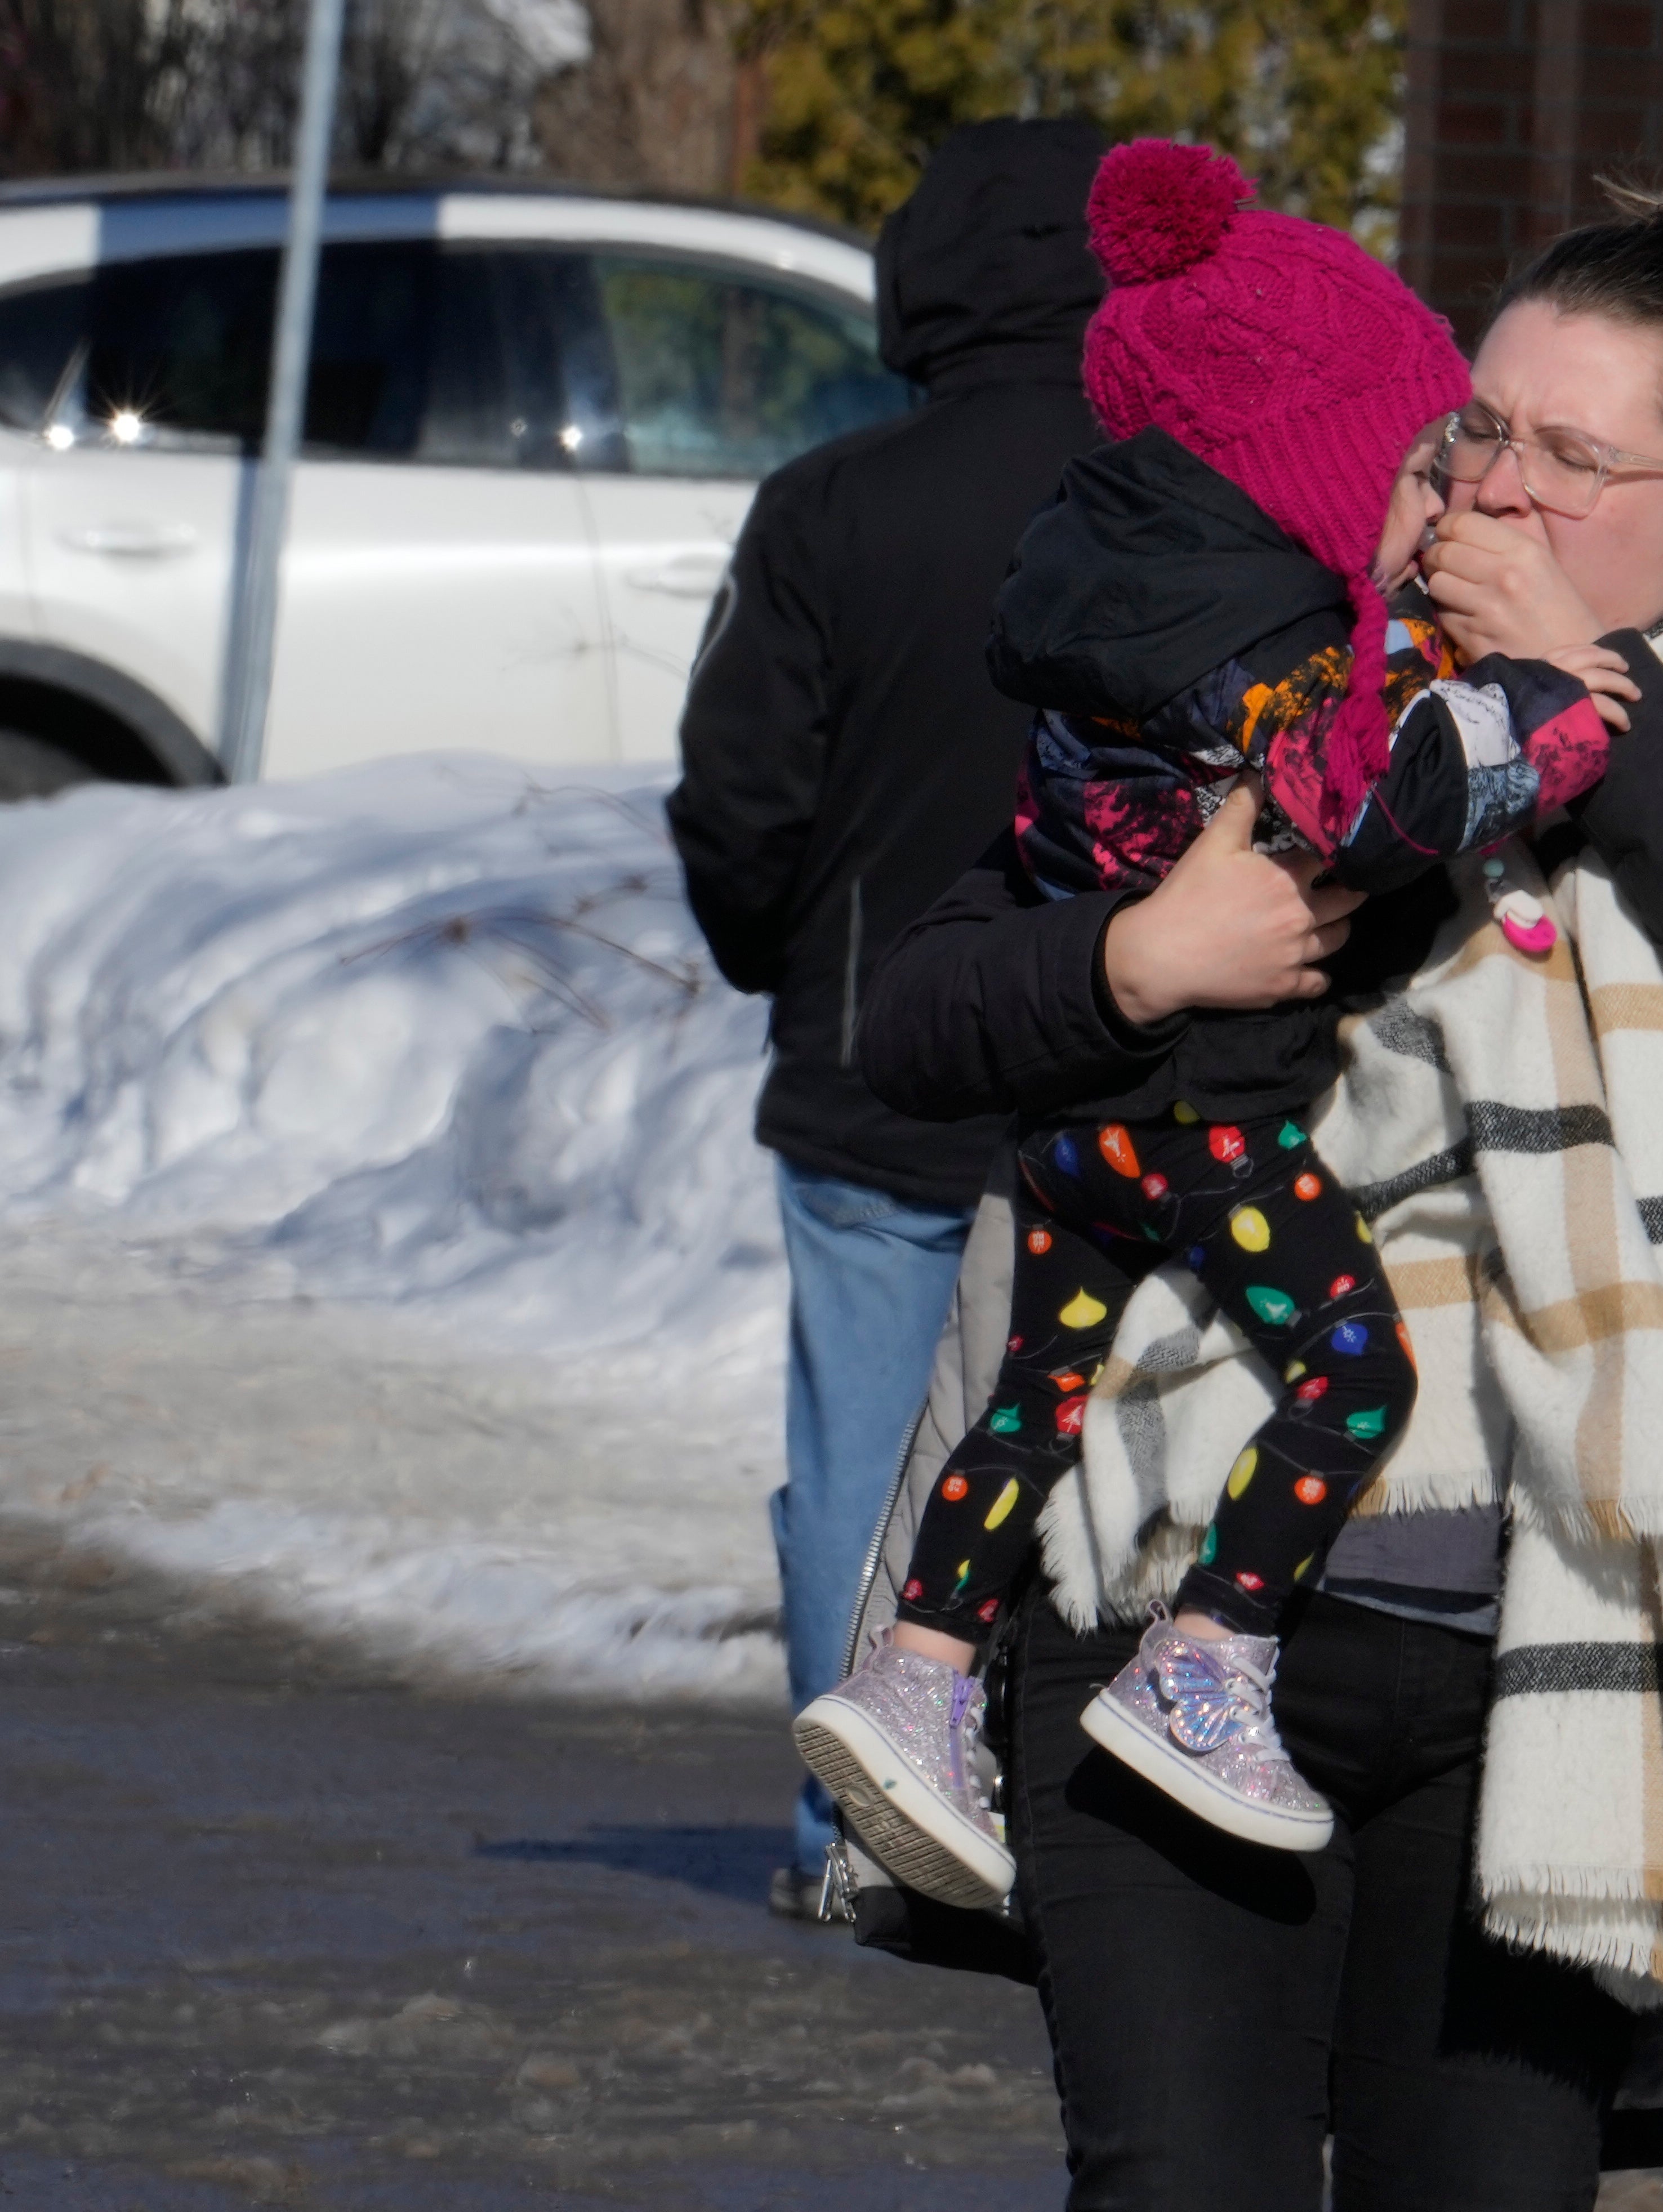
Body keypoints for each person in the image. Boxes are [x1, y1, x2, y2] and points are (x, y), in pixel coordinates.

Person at [860, 163, 1663, 2210]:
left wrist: (1590, 707)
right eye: (1481, 427)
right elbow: (923, 1013)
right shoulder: (1278, 670)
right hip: (1157, 1614)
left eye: (1576, 458)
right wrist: (1137, 959)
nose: (1498, 491)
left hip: (1548, 1683)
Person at [789, 140, 1629, 1906]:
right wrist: (1548, 719)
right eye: (1418, 465)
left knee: (1037, 1386)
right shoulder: (1283, 667)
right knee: (1351, 1372)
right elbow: (1378, 804)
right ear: (1313, 478)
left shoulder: (1110, 624)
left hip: (1080, 1139)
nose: (1451, 501)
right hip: (1208, 1130)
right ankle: (1211, 1658)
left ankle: (920, 1669)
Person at [664, 117, 1105, 1921]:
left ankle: (865, 1835)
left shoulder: (830, 510)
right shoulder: (1177, 497)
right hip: (1112, 1065)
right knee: (1091, 1451)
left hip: (874, 1078)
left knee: (866, 1472)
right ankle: (1087, 1828)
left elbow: (739, 799)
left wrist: (780, 956)